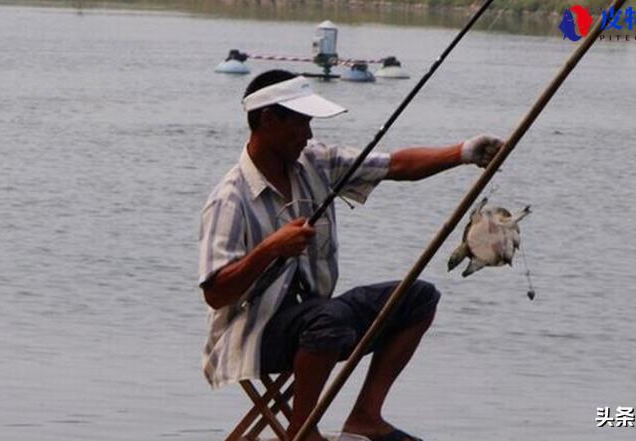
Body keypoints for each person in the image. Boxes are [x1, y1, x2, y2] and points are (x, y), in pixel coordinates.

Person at [198, 69, 503, 441]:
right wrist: (269, 249)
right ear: (268, 120)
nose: (309, 134)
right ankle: (303, 432)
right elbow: (216, 293)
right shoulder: (229, 198)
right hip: (251, 336)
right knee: (329, 319)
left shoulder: (315, 161)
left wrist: (463, 153)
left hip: (318, 321)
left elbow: (397, 166)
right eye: (300, 124)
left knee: (416, 297)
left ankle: (365, 417)